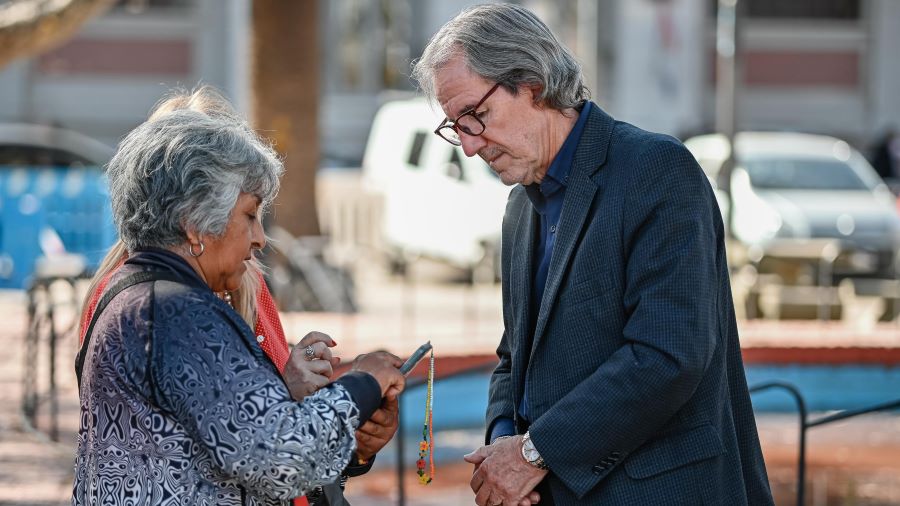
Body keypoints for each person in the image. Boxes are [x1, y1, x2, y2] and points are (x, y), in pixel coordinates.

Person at [412, 4, 773, 505]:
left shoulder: (657, 171)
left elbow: (668, 355)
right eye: (456, 127)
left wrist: (533, 454)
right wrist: (502, 445)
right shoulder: (521, 207)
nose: (470, 147)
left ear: (532, 83)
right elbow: (515, 356)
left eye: (475, 116)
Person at [73, 87, 405, 505]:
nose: (260, 238)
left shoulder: (141, 298)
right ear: (194, 221)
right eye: (249, 214)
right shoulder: (176, 312)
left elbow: (234, 445)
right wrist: (364, 384)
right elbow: (280, 459)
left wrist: (344, 437)